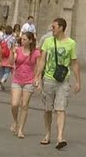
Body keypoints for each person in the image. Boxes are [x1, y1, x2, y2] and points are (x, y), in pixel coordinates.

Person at [34, 17, 80, 150]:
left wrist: (78, 81)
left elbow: (74, 63)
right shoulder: (48, 42)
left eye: (53, 27)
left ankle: (60, 136)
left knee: (61, 108)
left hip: (63, 80)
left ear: (61, 27)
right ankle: (47, 133)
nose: (51, 29)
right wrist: (37, 76)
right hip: (48, 78)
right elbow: (42, 60)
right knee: (48, 109)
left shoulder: (71, 43)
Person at [10, 30, 41, 137]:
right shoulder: (18, 50)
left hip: (29, 80)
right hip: (17, 79)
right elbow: (11, 62)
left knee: (24, 105)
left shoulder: (36, 52)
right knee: (14, 104)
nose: (22, 41)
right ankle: (15, 121)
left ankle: (21, 129)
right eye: (21, 39)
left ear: (30, 41)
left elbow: (38, 66)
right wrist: (12, 52)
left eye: (24, 39)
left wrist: (37, 79)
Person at [0, 25, 16, 89]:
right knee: (7, 70)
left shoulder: (1, 37)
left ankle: (0, 82)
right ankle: (3, 80)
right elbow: (13, 47)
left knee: (1, 69)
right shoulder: (13, 38)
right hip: (9, 55)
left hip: (1, 54)